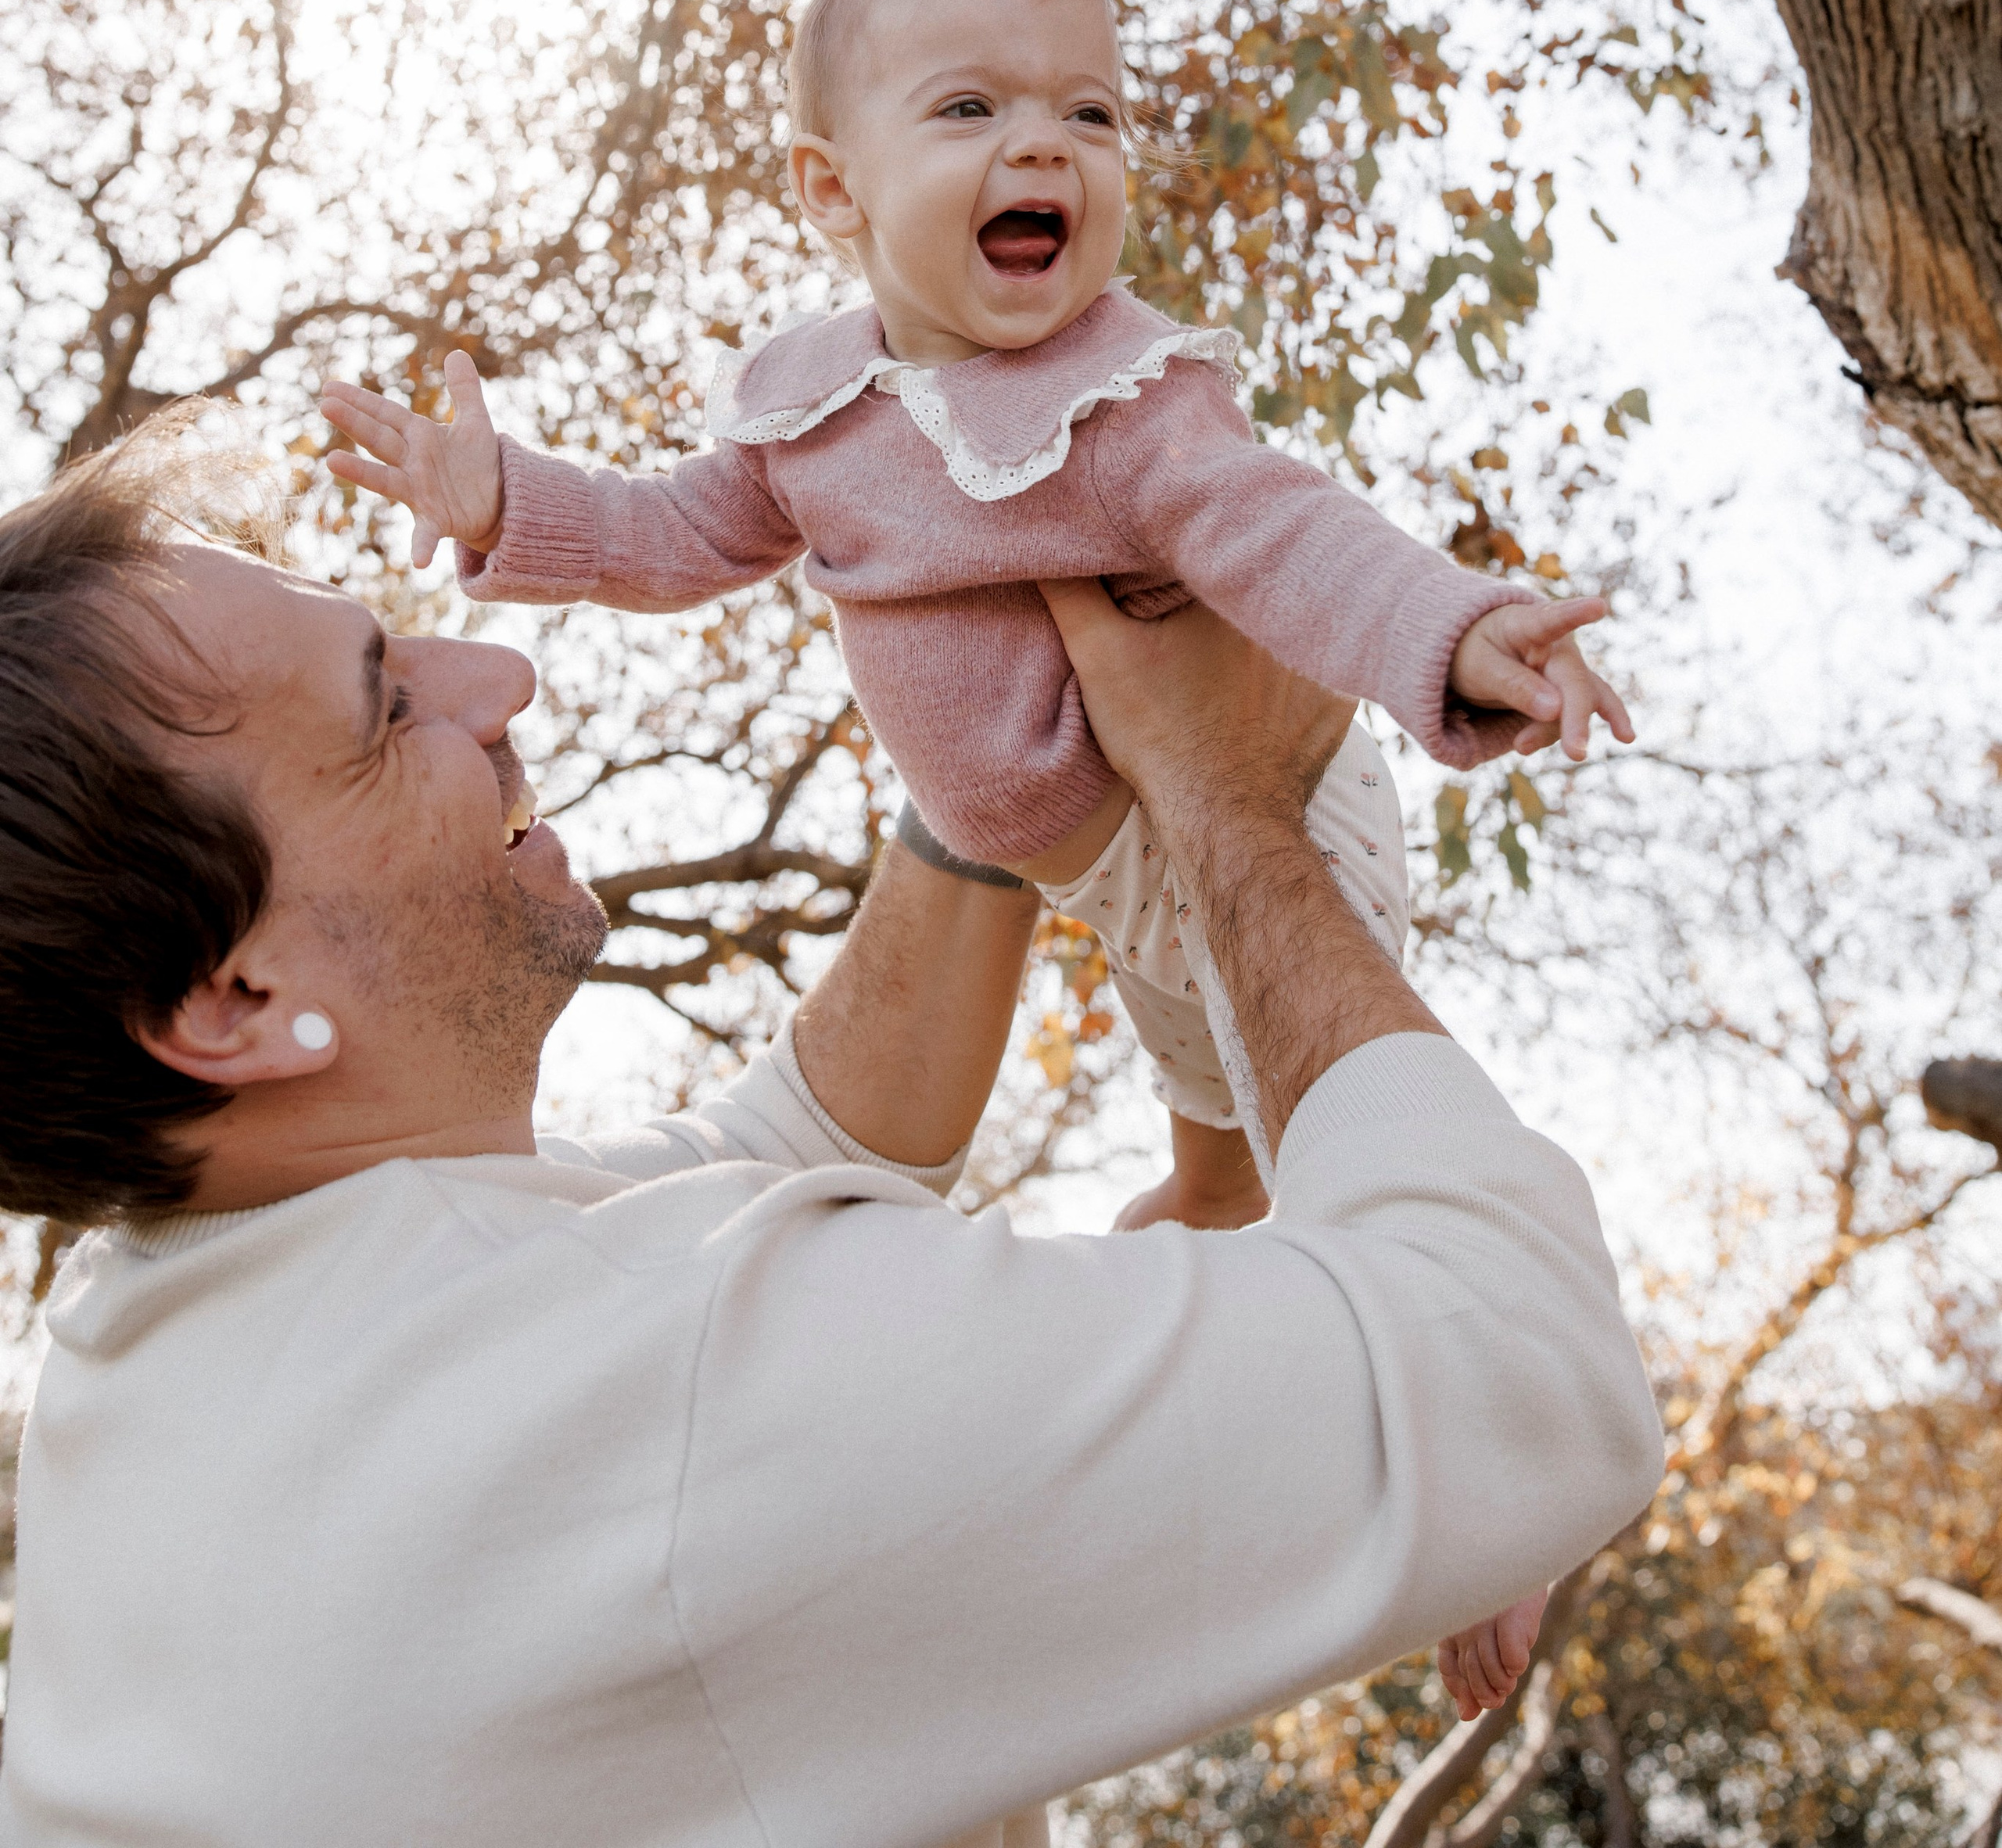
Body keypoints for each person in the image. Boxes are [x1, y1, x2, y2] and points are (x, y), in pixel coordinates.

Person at [0, 420, 1663, 1847]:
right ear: (227, 996)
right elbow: (1516, 1368)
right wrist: (1219, 784)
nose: (495, 673)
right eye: (382, 715)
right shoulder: (642, 1399)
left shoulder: (166, 1327)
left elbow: (801, 1130)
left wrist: (993, 753)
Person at [319, 0, 1633, 1248]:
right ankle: (1214, 1185)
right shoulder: (806, 404)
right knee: (1173, 1021)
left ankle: (1350, 1249)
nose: (1043, 145)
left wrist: (1453, 635)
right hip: (1083, 844)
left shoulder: (1123, 397)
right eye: (970, 112)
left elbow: (1286, 534)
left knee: (1288, 1074)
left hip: (1257, 801)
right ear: (832, 190)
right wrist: (501, 503)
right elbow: (676, 535)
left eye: (1090, 114)